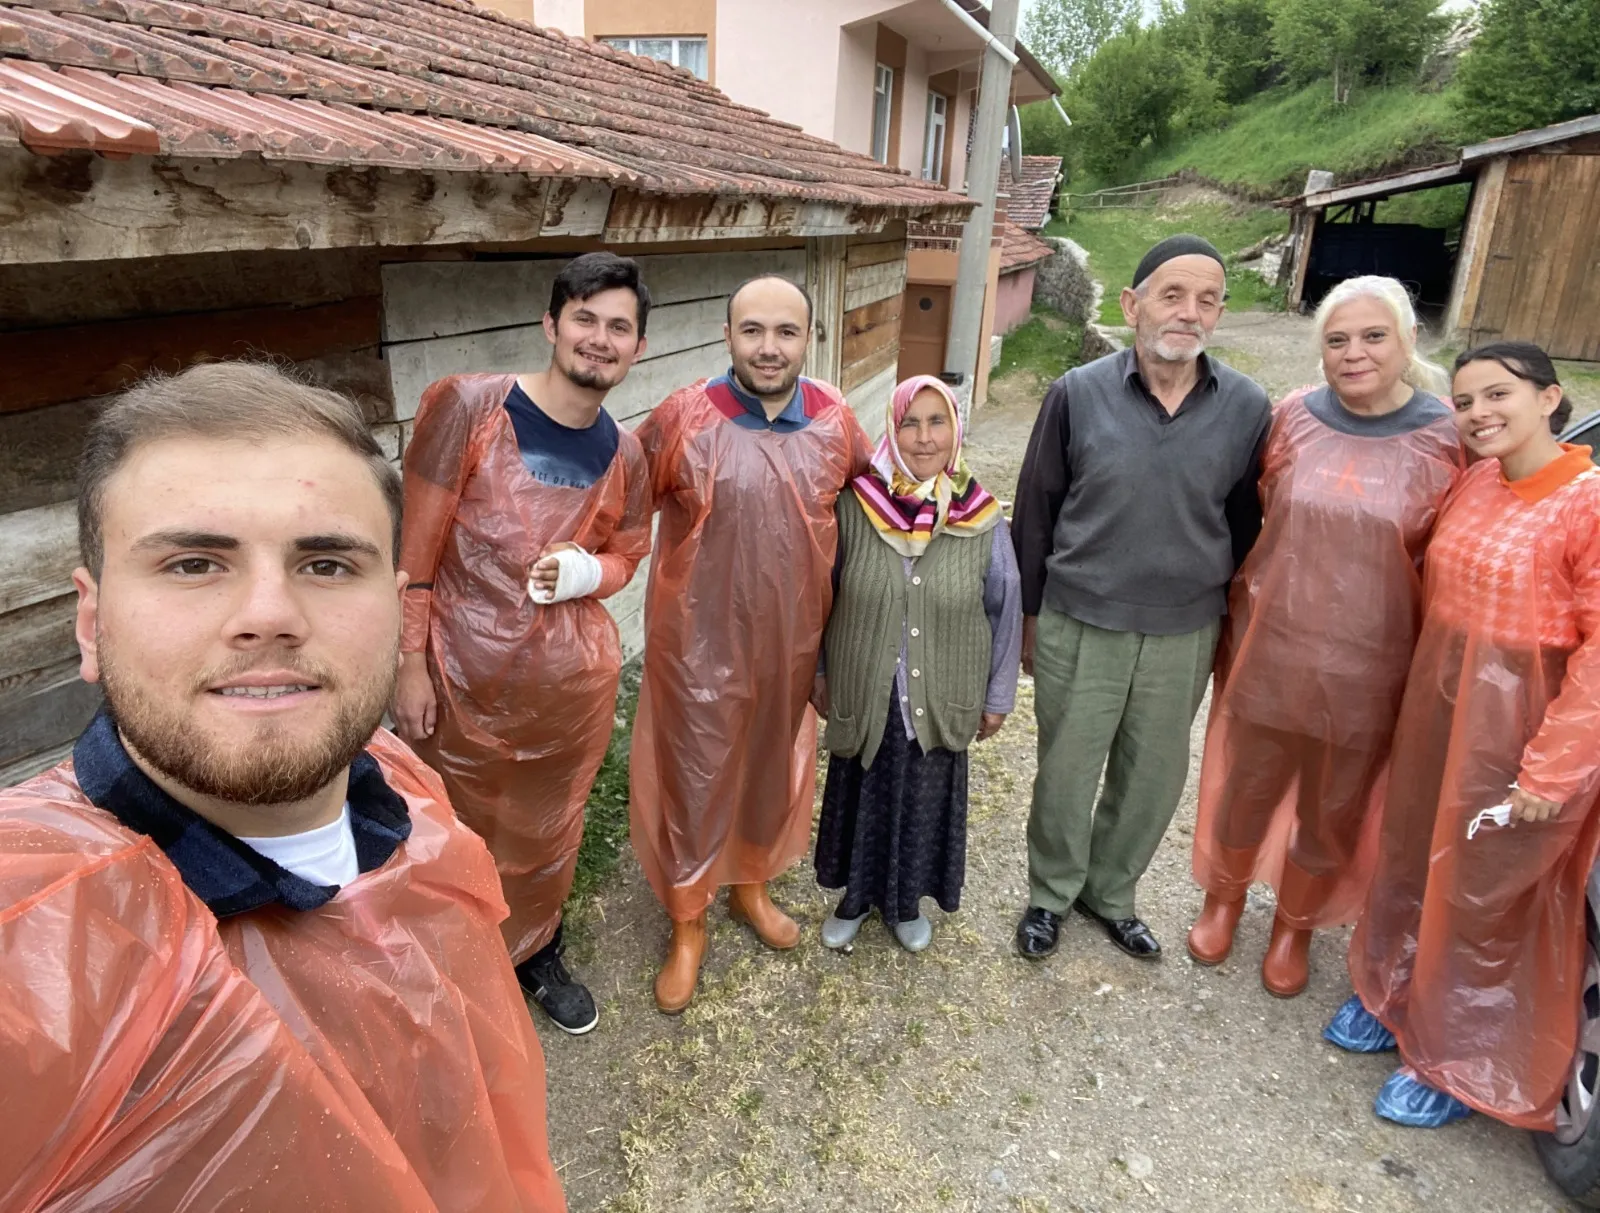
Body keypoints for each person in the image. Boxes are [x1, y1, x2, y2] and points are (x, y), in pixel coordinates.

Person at [0, 363, 565, 1210]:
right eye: (194, 563)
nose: (269, 612)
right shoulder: (29, 938)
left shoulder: (406, 798)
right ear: (92, 620)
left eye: (329, 564)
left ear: (397, 603)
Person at [1324, 343, 1600, 1130]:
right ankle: (1389, 991)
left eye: (1498, 395)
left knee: (1484, 890)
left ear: (1550, 398)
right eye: (1466, 400)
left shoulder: (1588, 502)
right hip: (1440, 705)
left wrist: (1551, 771)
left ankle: (1455, 1058)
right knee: (1410, 851)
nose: (1479, 414)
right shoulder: (1477, 480)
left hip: (1524, 727)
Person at [394, 252, 653, 1036]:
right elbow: (415, 555)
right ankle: (448, 964)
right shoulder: (469, 410)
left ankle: (535, 947)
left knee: (545, 831)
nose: (600, 339)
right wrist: (410, 663)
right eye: (585, 317)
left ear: (637, 347)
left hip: (565, 696)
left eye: (620, 327)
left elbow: (631, 553)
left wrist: (589, 571)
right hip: (456, 683)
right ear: (550, 323)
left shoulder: (628, 454)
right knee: (450, 826)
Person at [1186, 276, 1463, 997]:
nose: (1354, 353)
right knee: (1246, 785)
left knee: (1332, 805)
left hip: (1372, 667)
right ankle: (1225, 896)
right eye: (1337, 339)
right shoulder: (1289, 420)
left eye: (1374, 336)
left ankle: (1294, 926)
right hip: (1271, 646)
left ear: (1408, 340)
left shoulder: (1448, 440)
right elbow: (1246, 516)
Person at [1011, 234, 1272, 962]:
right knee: (1067, 767)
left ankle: (1112, 893)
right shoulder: (1077, 392)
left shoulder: (1248, 407)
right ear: (1132, 305)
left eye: (1208, 299)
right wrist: (1027, 619)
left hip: (1184, 628)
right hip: (1080, 617)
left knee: (1153, 776)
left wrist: (1229, 627)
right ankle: (1051, 892)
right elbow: (1037, 509)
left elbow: (1247, 524)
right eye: (1172, 294)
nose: (1189, 313)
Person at [630, 273, 872, 1013]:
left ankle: (751, 884)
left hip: (793, 640)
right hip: (696, 642)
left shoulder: (834, 420)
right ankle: (688, 917)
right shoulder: (683, 417)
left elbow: (873, 515)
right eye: (753, 330)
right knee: (698, 775)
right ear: (726, 334)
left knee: (772, 766)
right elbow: (619, 500)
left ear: (810, 337)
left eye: (786, 331)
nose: (770, 348)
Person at [811, 375, 1022, 953]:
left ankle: (906, 906)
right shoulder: (855, 506)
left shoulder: (983, 516)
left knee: (923, 801)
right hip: (867, 688)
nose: (924, 437)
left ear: (955, 431)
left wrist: (998, 696)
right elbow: (822, 597)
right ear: (892, 428)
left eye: (938, 422)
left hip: (942, 690)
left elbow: (1006, 607)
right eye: (911, 422)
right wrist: (821, 673)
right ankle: (854, 899)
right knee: (863, 793)